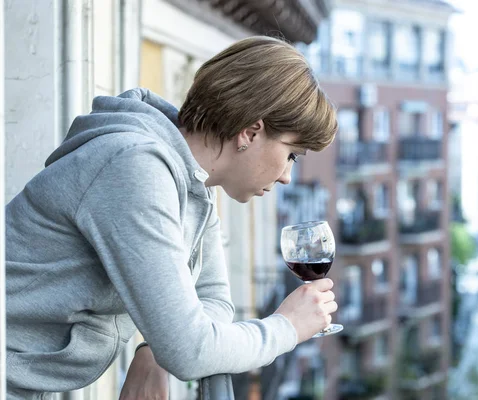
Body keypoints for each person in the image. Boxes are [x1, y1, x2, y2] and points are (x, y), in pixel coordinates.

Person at [5, 36, 338, 399]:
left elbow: (213, 300)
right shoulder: (134, 167)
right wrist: (288, 327)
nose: (287, 176)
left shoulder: (194, 182)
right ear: (251, 132)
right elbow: (191, 350)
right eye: (291, 154)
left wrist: (155, 352)